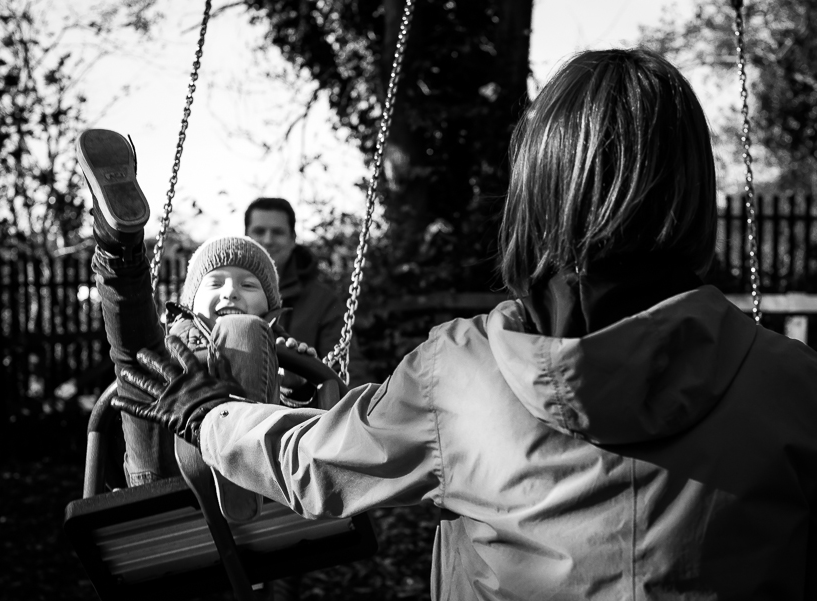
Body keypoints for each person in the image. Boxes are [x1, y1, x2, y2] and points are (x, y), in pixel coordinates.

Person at [112, 49, 817, 599]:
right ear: (695, 190)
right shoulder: (792, 385)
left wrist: (205, 411)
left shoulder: (465, 375)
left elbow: (314, 460)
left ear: (537, 188)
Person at [78, 130, 317, 520]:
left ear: (271, 308)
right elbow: (135, 355)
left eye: (248, 285)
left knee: (244, 331)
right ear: (190, 302)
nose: (231, 293)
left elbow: (309, 424)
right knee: (138, 353)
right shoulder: (172, 339)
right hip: (159, 471)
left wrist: (298, 386)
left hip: (257, 465)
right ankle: (119, 248)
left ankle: (237, 470)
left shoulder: (273, 347)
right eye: (216, 283)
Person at [244, 197, 371, 387]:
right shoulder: (225, 294)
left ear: (293, 238)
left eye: (278, 232)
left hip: (300, 411)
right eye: (259, 231)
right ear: (246, 236)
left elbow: (347, 368)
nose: (268, 240)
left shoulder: (322, 301)